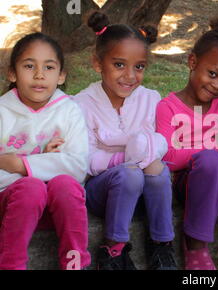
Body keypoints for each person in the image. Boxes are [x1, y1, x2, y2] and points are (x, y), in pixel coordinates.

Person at [74, 12, 176, 270]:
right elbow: (83, 160)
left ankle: (161, 246)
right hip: (103, 193)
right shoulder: (81, 104)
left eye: (139, 66)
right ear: (98, 63)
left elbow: (161, 143)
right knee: (130, 173)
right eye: (119, 64)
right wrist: (127, 158)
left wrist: (147, 155)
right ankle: (113, 249)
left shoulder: (151, 99)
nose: (130, 75)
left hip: (146, 194)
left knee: (159, 170)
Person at [156, 18, 218, 270]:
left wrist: (205, 147)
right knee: (212, 159)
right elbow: (168, 155)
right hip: (190, 185)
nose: (217, 85)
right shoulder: (167, 107)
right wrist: (209, 147)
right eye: (212, 74)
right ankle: (195, 243)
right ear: (192, 62)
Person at [0, 32, 90, 270]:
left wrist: (21, 164)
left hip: (57, 210)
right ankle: (11, 265)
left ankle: (75, 264)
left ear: (61, 76)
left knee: (67, 184)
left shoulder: (69, 111)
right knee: (31, 188)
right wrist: (47, 164)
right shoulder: (2, 111)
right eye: (29, 66)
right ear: (12, 73)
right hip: (9, 207)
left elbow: (78, 167)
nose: (39, 75)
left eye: (49, 67)